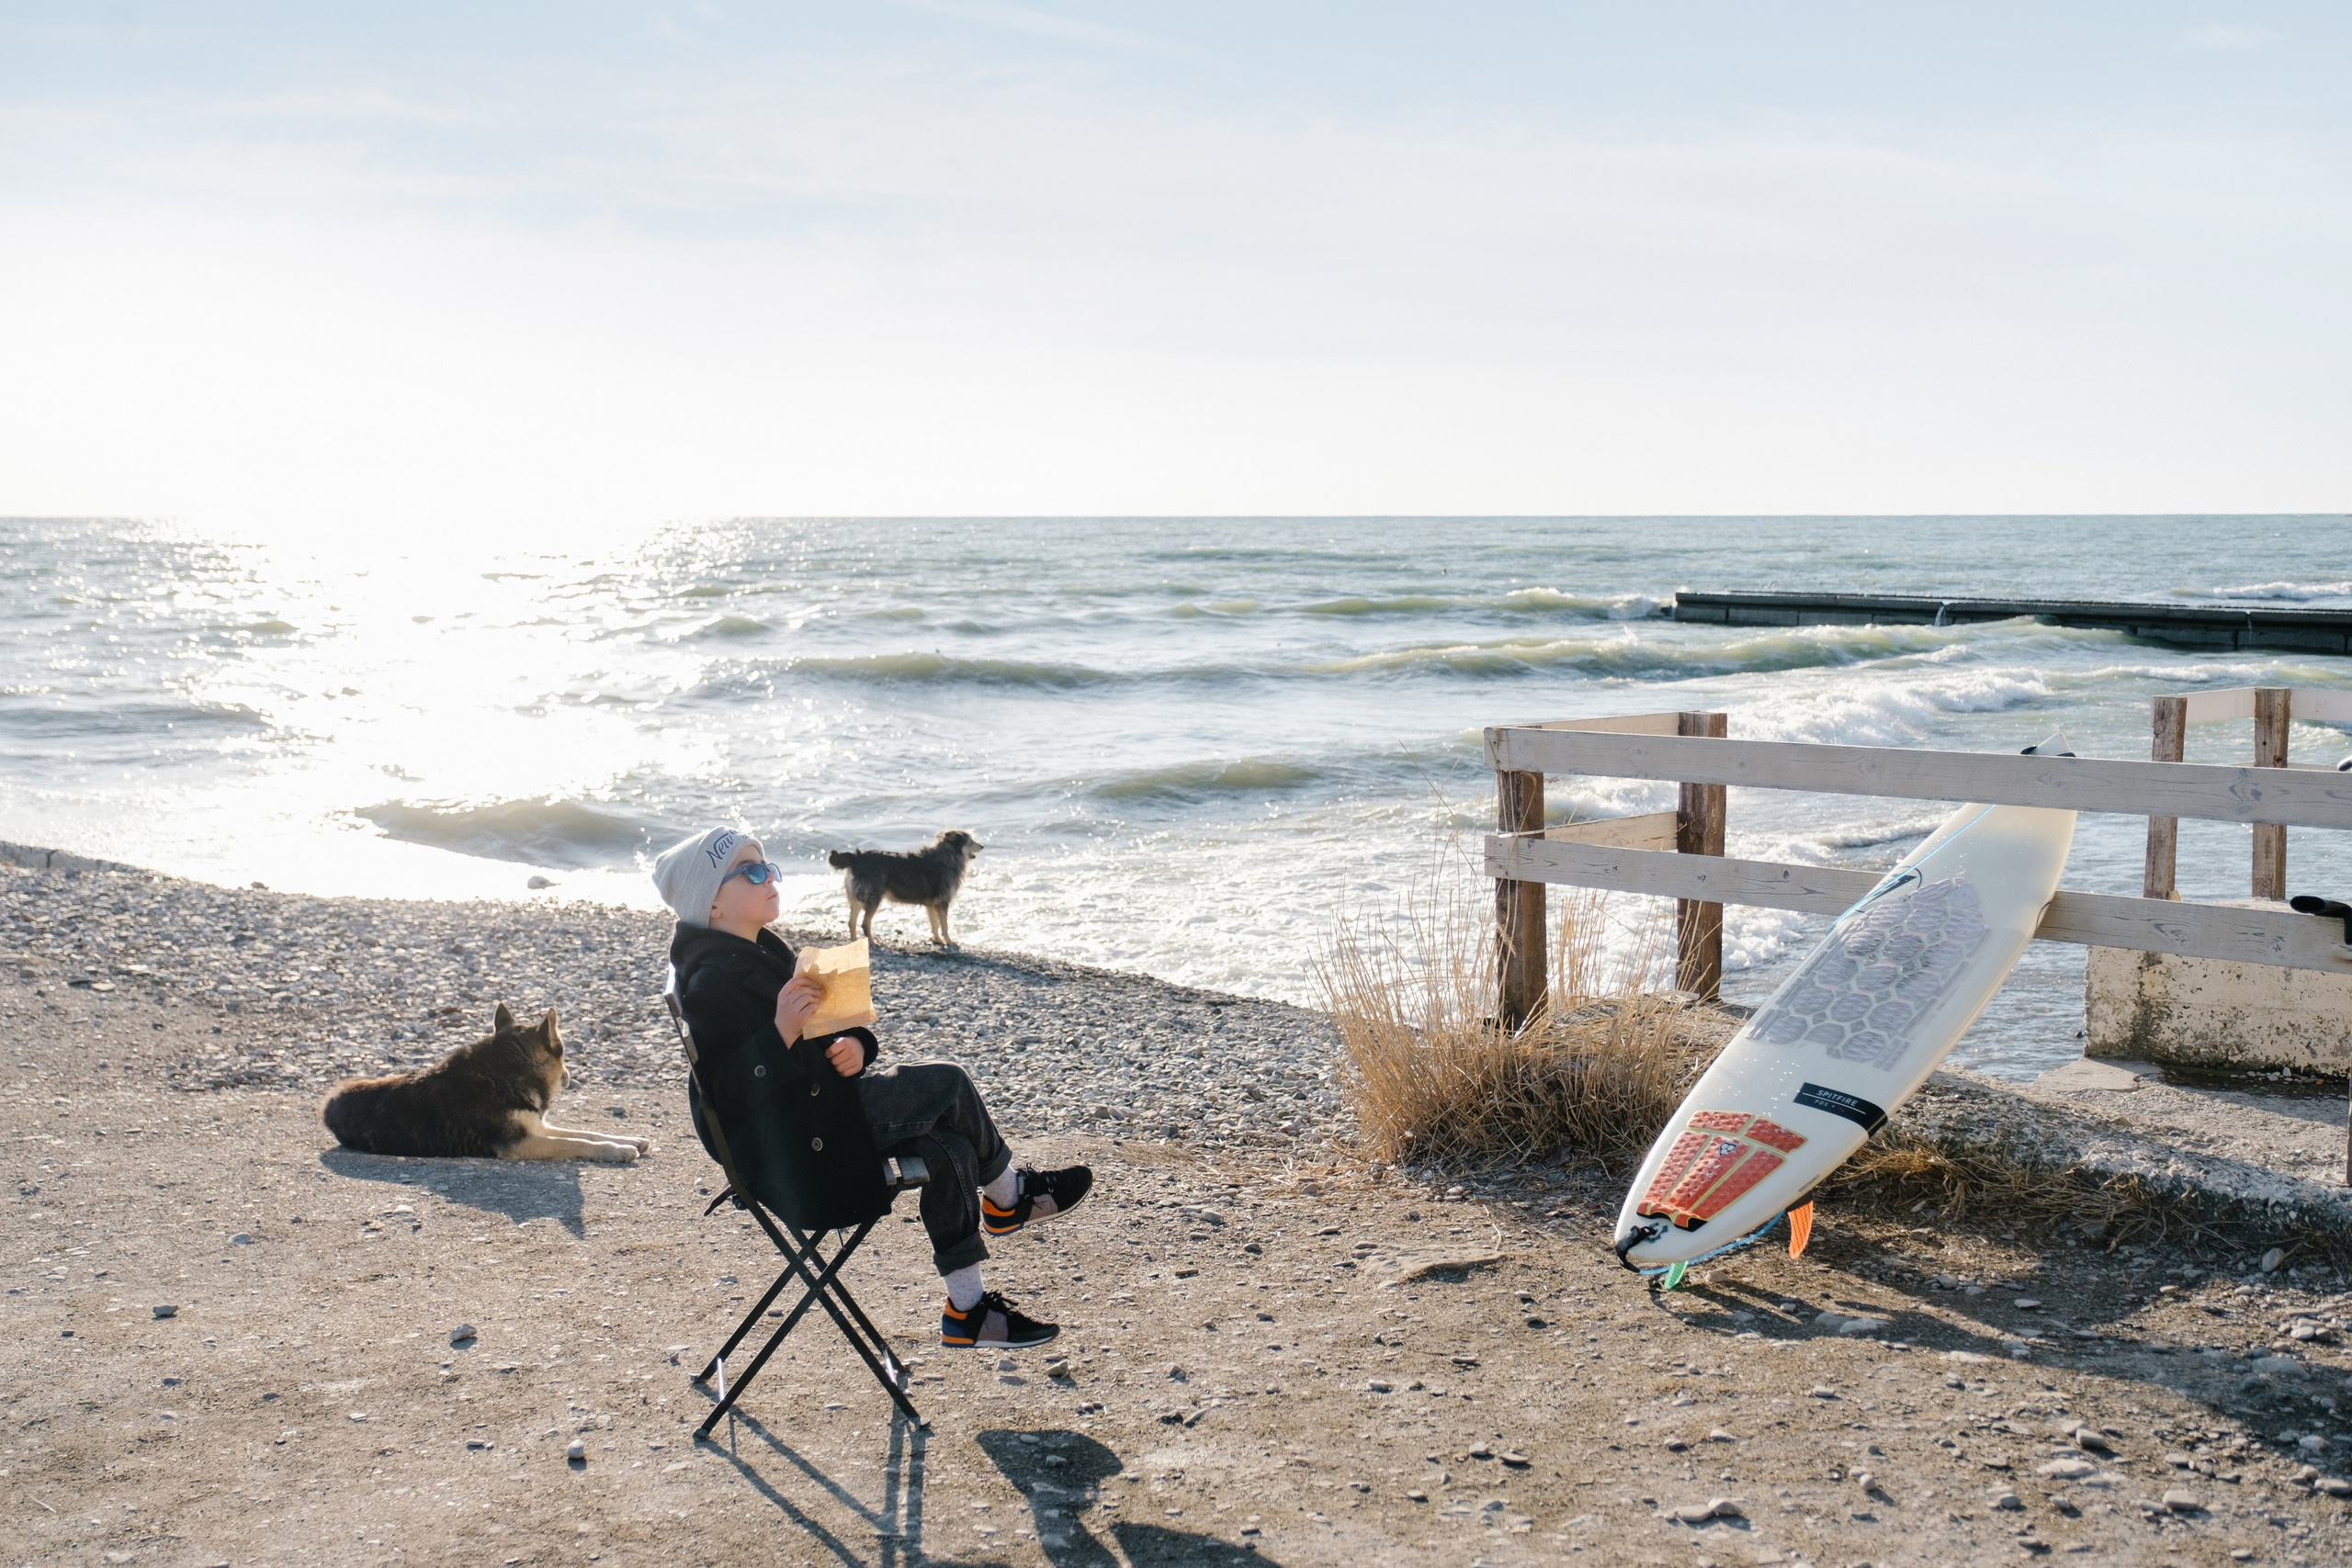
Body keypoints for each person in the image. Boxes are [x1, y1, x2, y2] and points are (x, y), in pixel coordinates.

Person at [653, 826, 1090, 1348]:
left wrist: (858, 1042)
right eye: (750, 872)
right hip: (794, 1144)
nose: (768, 877)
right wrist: (781, 1033)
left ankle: (967, 1311)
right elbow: (722, 1094)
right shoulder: (711, 982)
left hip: (819, 1108)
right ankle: (1009, 1197)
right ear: (713, 906)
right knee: (948, 1082)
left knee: (948, 1147)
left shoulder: (759, 948)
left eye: (768, 867)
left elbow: (831, 1020)